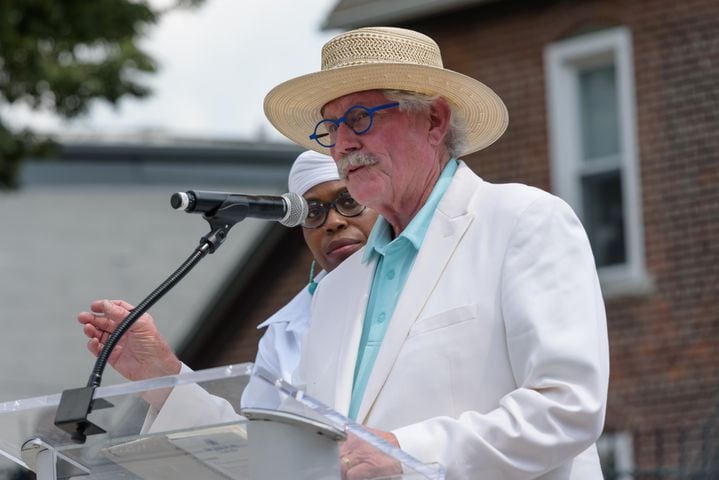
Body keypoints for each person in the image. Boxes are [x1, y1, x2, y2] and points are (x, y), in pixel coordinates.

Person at [262, 27, 610, 480]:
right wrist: (167, 388)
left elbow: (569, 406)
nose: (343, 144)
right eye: (331, 128)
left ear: (434, 121)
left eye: (362, 118)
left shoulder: (523, 220)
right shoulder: (336, 290)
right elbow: (303, 448)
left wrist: (409, 451)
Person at [77, 150, 378, 417]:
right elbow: (256, 453)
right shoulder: (283, 335)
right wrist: (161, 375)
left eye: (349, 201)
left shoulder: (420, 286)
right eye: (312, 213)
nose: (333, 222)